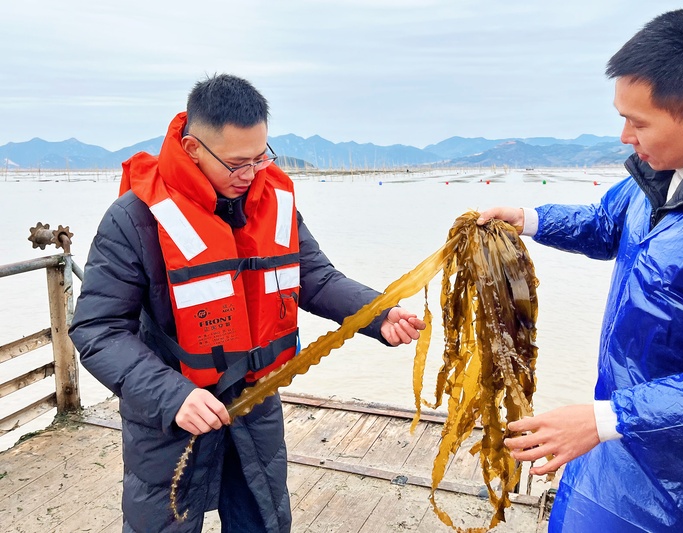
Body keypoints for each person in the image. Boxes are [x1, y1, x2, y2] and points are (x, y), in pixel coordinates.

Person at [479, 7, 683, 532]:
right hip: (613, 454)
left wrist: (605, 418)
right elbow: (606, 224)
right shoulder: (660, 171)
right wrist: (529, 219)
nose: (625, 136)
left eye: (638, 121)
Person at [69, 74, 425, 533]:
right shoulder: (134, 218)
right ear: (194, 148)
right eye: (238, 163)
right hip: (170, 416)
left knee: (263, 521)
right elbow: (97, 330)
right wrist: (173, 396)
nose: (252, 173)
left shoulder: (272, 201)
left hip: (254, 404)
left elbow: (314, 276)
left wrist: (379, 313)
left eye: (261, 157)